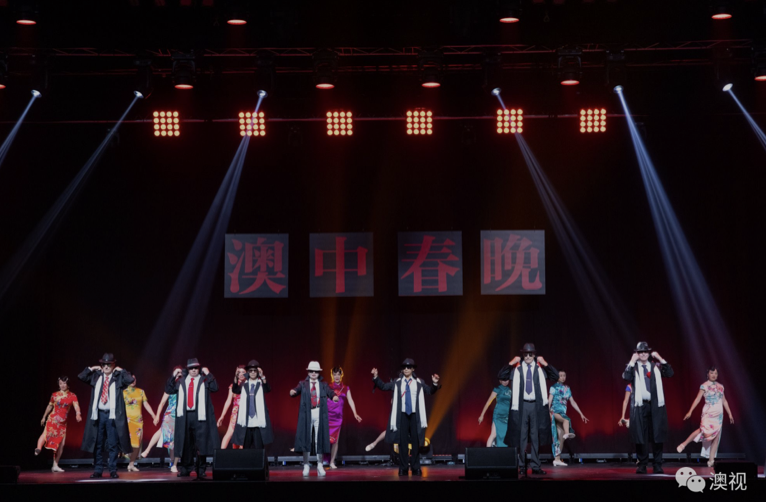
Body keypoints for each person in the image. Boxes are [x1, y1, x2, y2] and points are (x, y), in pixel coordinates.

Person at [371, 358, 440, 476]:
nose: (406, 369)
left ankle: (416, 467)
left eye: (409, 367)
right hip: (402, 415)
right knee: (402, 443)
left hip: (415, 415)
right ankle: (403, 468)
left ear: (413, 369)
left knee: (415, 442)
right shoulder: (397, 382)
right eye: (404, 367)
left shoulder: (419, 382)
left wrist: (434, 383)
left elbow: (429, 390)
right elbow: (384, 386)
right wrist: (376, 377)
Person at [503, 343, 558, 476]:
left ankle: (535, 466)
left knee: (535, 437)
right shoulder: (517, 369)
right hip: (522, 406)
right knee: (522, 437)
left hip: (536, 406)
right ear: (522, 355)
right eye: (525, 354)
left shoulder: (540, 369)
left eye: (530, 354)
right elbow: (502, 375)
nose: (528, 356)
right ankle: (522, 465)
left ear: (534, 355)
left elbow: (555, 376)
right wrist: (511, 363)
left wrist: (545, 363)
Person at [79, 353, 134, 479]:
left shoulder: (118, 378)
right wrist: (91, 368)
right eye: (104, 364)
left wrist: (122, 370)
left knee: (113, 444)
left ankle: (113, 469)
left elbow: (130, 380)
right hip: (98, 415)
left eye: (109, 364)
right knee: (97, 443)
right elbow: (81, 376)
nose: (106, 366)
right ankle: (98, 470)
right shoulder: (96, 377)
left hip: (112, 415)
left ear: (113, 365)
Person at [622, 341, 673, 474]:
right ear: (637, 354)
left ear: (649, 353)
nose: (643, 354)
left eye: (645, 352)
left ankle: (657, 464)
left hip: (656, 405)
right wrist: (631, 361)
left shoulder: (655, 366)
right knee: (641, 436)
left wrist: (660, 358)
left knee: (657, 435)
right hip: (640, 406)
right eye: (640, 352)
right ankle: (642, 464)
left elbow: (669, 373)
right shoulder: (633, 367)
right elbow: (626, 377)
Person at [165, 358, 220, 479]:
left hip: (200, 416)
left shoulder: (204, 380)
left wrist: (209, 374)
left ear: (199, 368)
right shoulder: (181, 381)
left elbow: (215, 388)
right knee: (186, 442)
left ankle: (201, 469)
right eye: (191, 368)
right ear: (188, 369)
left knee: (201, 443)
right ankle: (186, 468)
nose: (194, 370)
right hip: (185, 416)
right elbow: (168, 390)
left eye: (196, 368)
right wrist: (173, 376)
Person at [676, 366, 734, 467]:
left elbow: (724, 401)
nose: (714, 375)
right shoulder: (704, 386)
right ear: (708, 374)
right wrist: (690, 411)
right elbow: (697, 399)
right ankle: (684, 444)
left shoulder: (721, 386)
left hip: (718, 416)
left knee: (716, 437)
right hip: (708, 414)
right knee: (702, 430)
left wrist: (730, 413)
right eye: (712, 373)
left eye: (715, 373)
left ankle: (711, 460)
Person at [290, 361, 338, 477]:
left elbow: (330, 392)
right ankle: (306, 465)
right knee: (306, 439)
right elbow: (296, 390)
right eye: (311, 371)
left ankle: (320, 465)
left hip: (319, 413)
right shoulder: (303, 384)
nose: (313, 373)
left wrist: (334, 396)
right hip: (307, 414)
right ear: (308, 372)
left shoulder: (323, 385)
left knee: (318, 440)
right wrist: (293, 391)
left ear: (319, 372)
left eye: (315, 371)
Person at [35, 376, 82, 472]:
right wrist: (44, 416)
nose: (62, 385)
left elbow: (76, 406)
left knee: (61, 444)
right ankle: (38, 448)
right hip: (53, 419)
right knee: (46, 434)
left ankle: (55, 465)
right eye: (60, 383)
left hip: (63, 423)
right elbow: (49, 406)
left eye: (64, 383)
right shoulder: (54, 395)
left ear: (68, 384)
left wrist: (78, 414)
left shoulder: (72, 395)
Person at [324, 366, 363, 468]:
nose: (337, 376)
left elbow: (350, 400)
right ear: (332, 375)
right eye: (335, 374)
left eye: (338, 374)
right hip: (328, 416)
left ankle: (332, 462)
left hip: (338, 418)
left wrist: (355, 413)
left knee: (335, 440)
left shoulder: (346, 388)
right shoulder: (328, 387)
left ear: (341, 375)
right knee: (325, 439)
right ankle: (323, 460)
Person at [548, 370, 589, 467]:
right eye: (560, 375)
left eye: (564, 375)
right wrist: (549, 413)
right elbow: (549, 401)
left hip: (562, 413)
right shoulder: (553, 387)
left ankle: (557, 459)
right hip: (555, 411)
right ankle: (567, 433)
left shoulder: (567, 389)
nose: (562, 377)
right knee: (566, 420)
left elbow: (573, 402)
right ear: (557, 377)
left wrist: (581, 414)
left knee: (560, 438)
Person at [231, 360, 274, 449]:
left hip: (258, 422)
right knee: (246, 449)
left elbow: (268, 389)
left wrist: (263, 376)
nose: (253, 372)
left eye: (255, 370)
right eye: (251, 370)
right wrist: (236, 377)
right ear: (248, 372)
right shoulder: (244, 384)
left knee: (259, 449)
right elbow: (235, 390)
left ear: (258, 371)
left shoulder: (261, 383)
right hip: (246, 422)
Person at [122, 376, 156, 472]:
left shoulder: (141, 391)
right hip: (127, 421)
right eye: (131, 379)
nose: (133, 381)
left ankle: (131, 464)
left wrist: (153, 415)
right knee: (127, 443)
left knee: (137, 443)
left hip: (138, 421)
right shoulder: (123, 392)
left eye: (134, 379)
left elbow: (146, 404)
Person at [478, 365, 512, 447]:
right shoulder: (497, 389)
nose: (505, 381)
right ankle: (488, 452)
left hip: (507, 416)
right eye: (503, 380)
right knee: (493, 434)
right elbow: (488, 402)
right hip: (498, 415)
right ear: (500, 380)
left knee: (505, 434)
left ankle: (504, 452)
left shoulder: (510, 390)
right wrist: (482, 415)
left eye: (507, 379)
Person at [217, 366, 247, 449]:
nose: (241, 374)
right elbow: (228, 401)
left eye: (243, 372)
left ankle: (240, 455)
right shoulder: (233, 386)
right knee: (230, 433)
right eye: (239, 372)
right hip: (236, 412)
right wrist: (222, 416)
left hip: (246, 412)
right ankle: (221, 454)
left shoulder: (249, 384)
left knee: (243, 436)